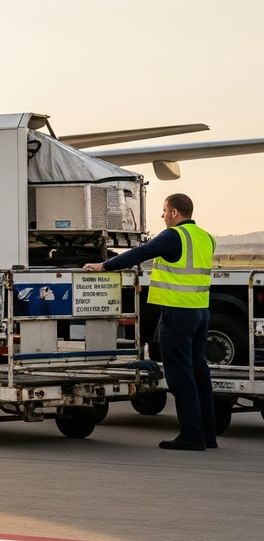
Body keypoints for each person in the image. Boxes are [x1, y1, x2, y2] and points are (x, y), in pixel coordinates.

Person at [84, 193, 217, 451]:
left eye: (165, 210)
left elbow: (141, 252)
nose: (163, 215)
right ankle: (207, 435)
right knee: (200, 373)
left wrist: (106, 266)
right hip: (201, 312)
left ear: (175, 213)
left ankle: (192, 436)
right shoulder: (207, 237)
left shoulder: (174, 235)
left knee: (181, 376)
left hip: (178, 314)